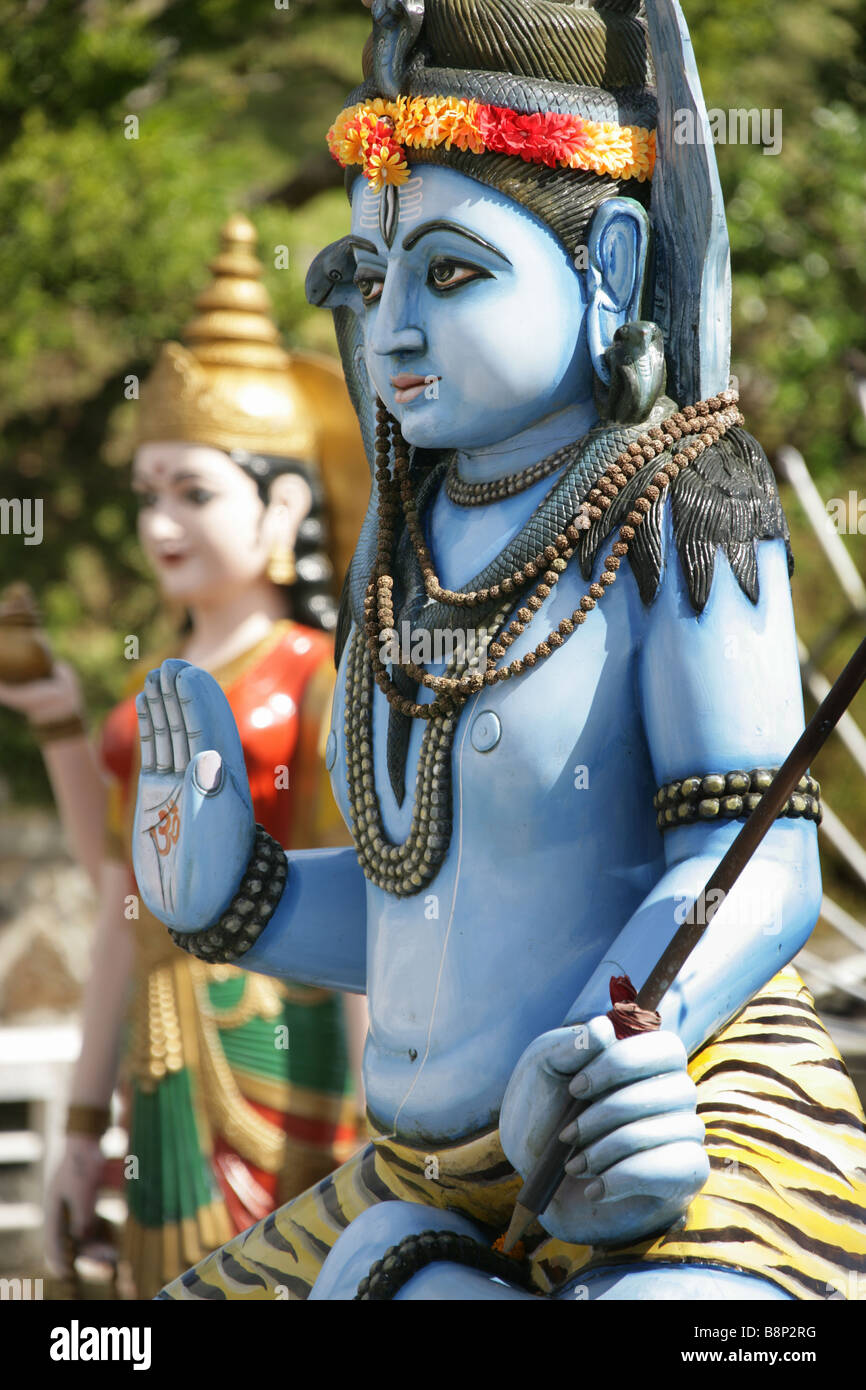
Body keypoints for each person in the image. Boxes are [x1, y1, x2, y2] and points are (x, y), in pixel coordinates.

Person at [132, 1, 866, 1301]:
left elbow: (754, 866)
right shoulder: (407, 548)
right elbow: (432, 915)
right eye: (371, 280)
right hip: (418, 1174)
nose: (392, 328)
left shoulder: (680, 499)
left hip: (658, 1118)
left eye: (452, 272)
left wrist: (613, 1037)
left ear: (611, 263)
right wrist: (240, 896)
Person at [0, 214, 369, 1298]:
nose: (160, 524)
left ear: (283, 506)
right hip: (157, 1045)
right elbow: (122, 887)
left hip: (287, 1030)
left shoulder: (313, 675)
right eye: (148, 493)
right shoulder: (151, 690)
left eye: (194, 492)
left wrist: (392, 1121)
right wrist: (78, 1122)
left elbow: (361, 896)